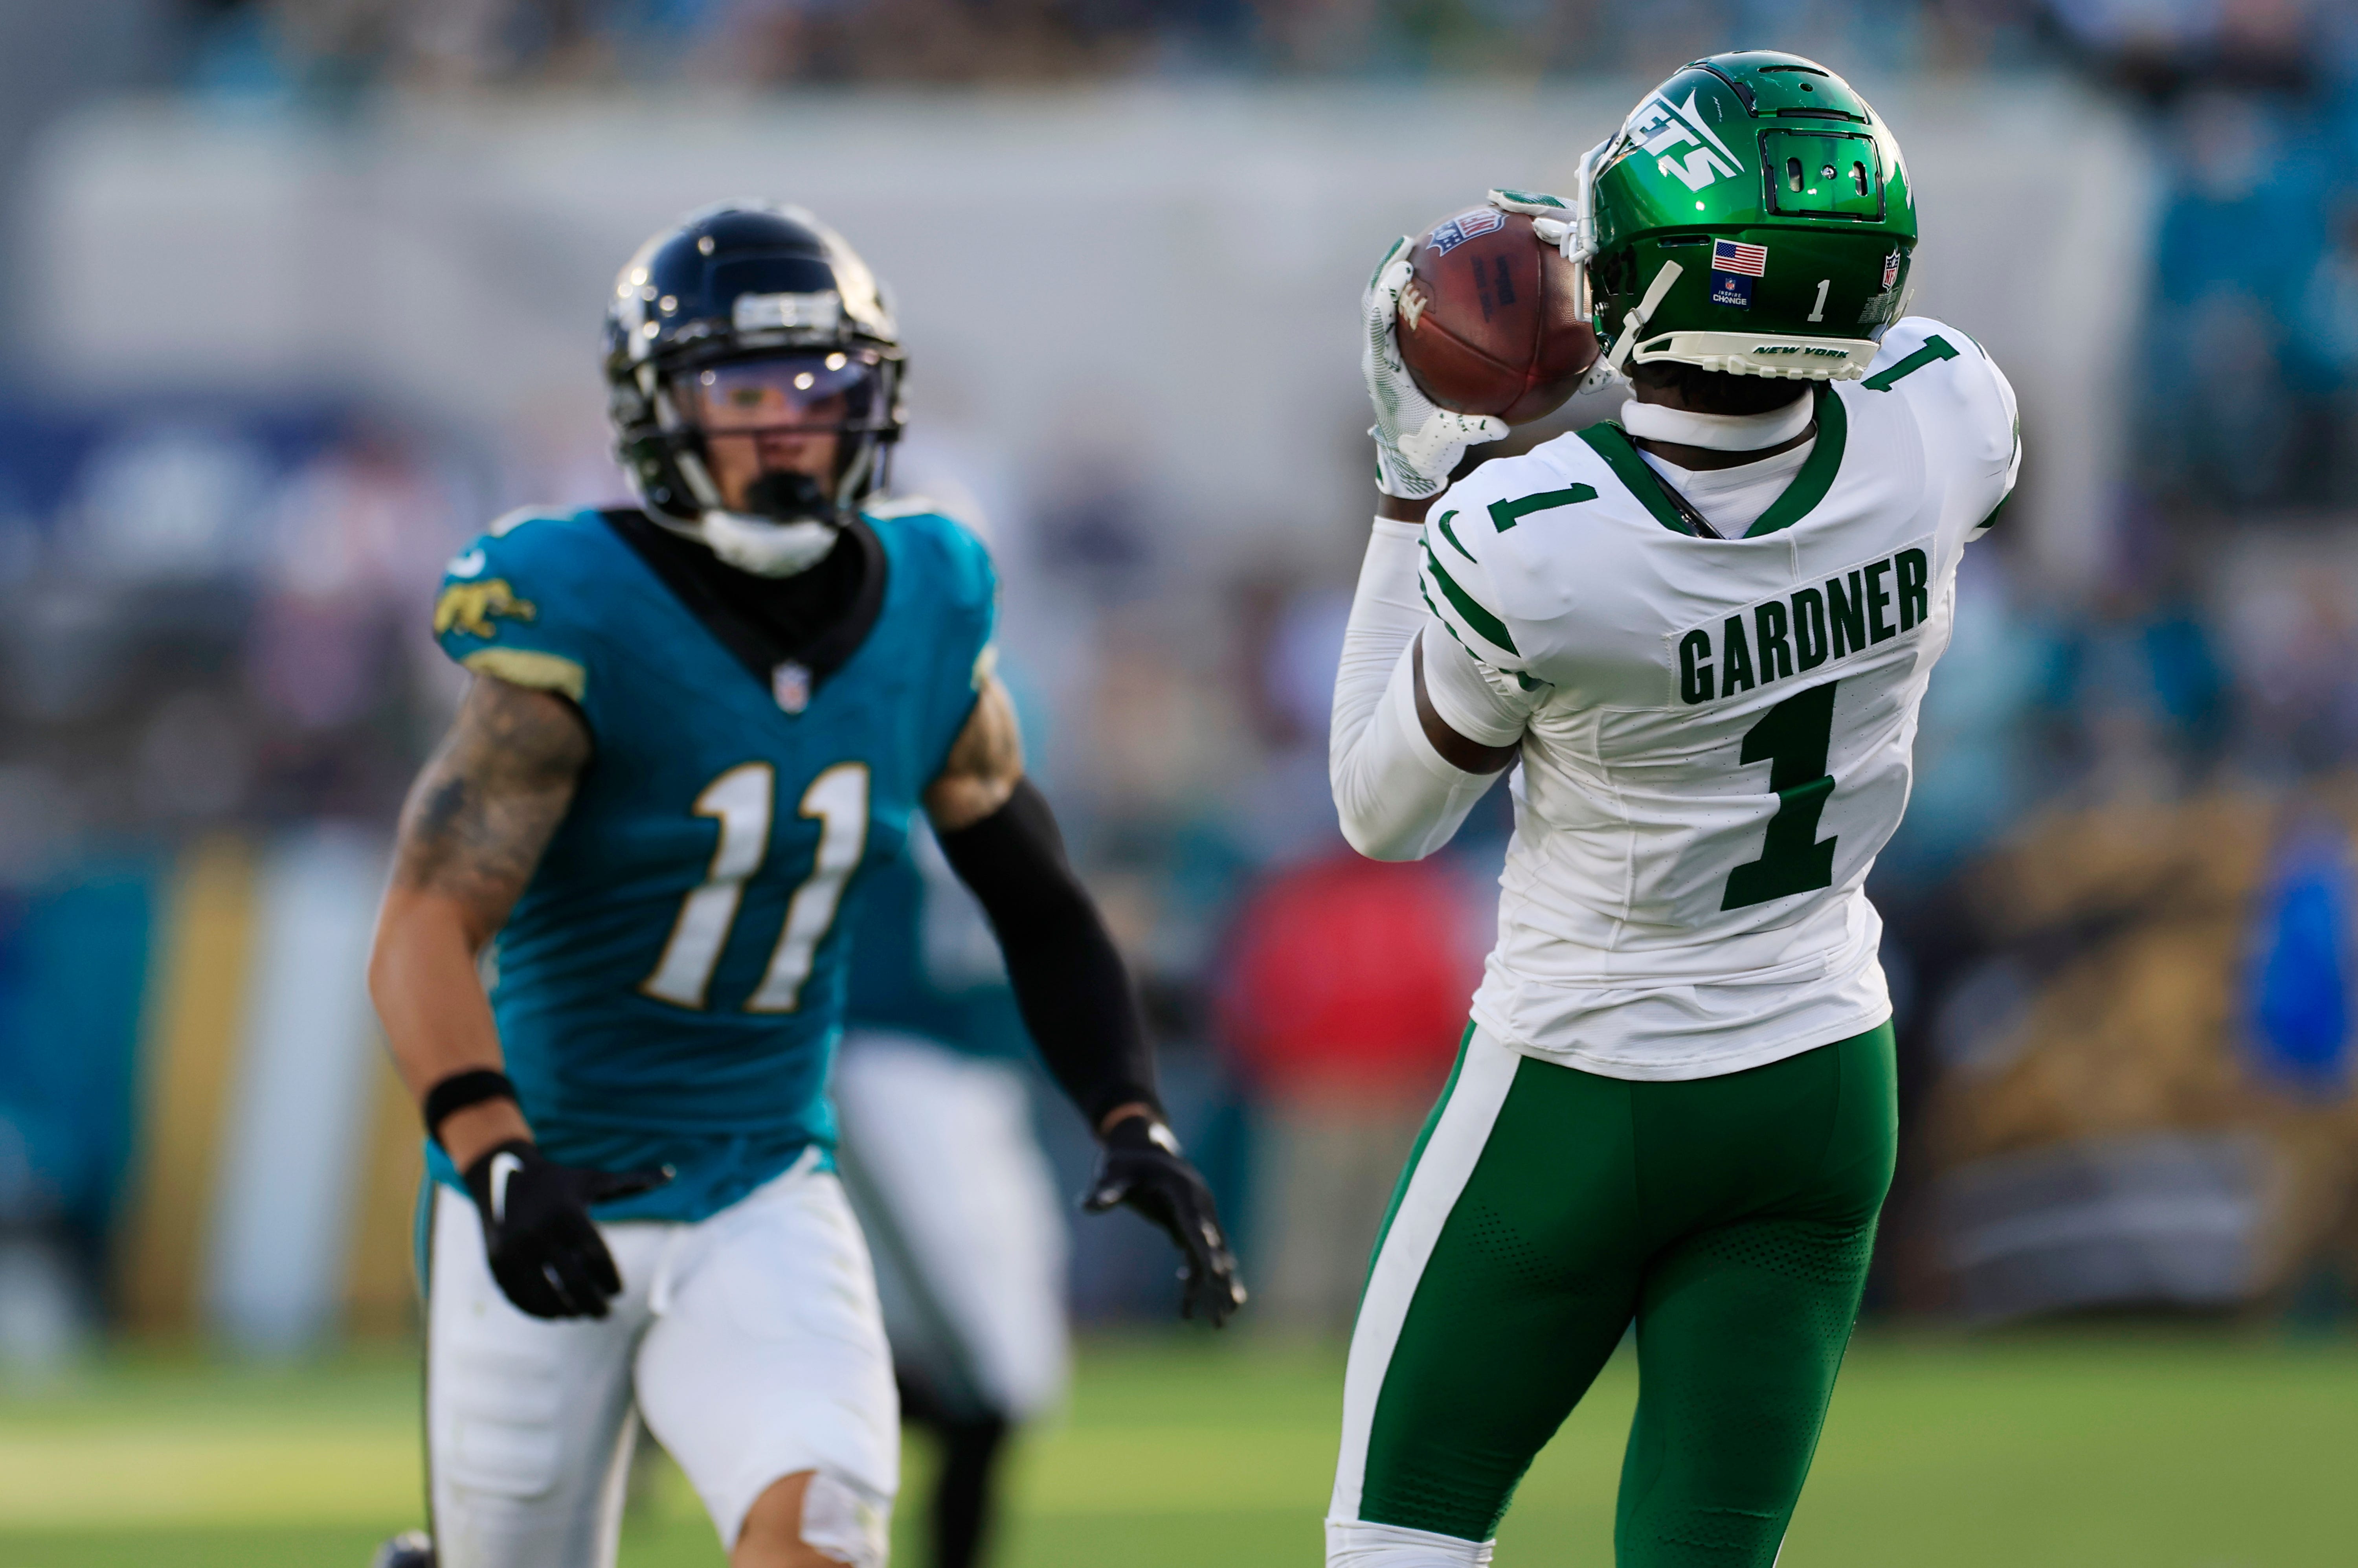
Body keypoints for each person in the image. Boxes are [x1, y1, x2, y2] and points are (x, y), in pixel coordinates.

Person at [364, 201, 1242, 1568]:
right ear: (662, 408)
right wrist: (494, 1154)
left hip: (764, 1177)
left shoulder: (929, 597)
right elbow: (426, 919)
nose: (786, 424)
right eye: (742, 388)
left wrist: (1132, 1113)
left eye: (820, 386)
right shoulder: (573, 599)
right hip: (552, 1182)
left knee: (821, 1520)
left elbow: (1040, 895)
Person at [1323, 52, 2018, 1568]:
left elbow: (1384, 817)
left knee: (1397, 1543)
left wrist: (1408, 469)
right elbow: (1841, 394)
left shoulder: (1532, 535)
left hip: (1587, 1082)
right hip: (1823, 1077)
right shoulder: (1950, 415)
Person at [832, 818, 1071, 1568]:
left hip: (974, 1081)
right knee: (979, 1374)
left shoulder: (974, 780)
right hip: (891, 1073)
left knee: (1005, 1378)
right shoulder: (877, 783)